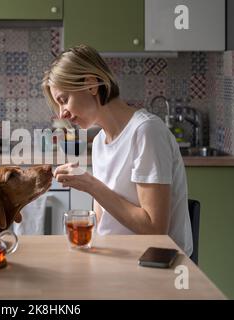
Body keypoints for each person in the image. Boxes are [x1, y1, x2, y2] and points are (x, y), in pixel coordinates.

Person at [42, 45, 193, 256]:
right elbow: (104, 223)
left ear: (91, 85)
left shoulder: (146, 131)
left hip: (154, 264)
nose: (62, 114)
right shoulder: (99, 142)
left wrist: (91, 185)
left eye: (64, 100)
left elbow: (155, 229)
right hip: (117, 257)